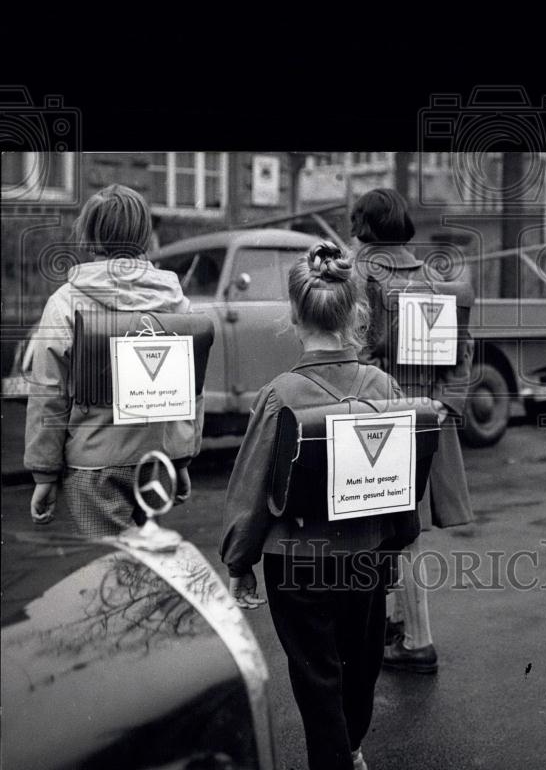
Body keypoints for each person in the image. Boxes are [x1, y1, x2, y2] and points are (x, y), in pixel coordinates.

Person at [220, 242, 412, 770]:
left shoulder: (279, 395)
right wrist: (395, 548)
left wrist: (240, 563)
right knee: (361, 665)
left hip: (297, 564)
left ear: (294, 316)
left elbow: (250, 490)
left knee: (316, 676)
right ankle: (351, 748)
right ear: (356, 314)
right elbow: (402, 483)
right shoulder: (385, 387)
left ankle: (334, 757)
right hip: (367, 557)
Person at [25, 184, 200, 537]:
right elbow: (188, 392)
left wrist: (44, 473)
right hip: (157, 461)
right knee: (145, 561)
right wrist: (182, 458)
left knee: (113, 565)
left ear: (89, 234)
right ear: (144, 234)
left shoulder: (65, 303)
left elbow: (48, 392)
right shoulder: (176, 302)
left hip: (94, 465)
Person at [350, 187, 474, 674]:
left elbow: (355, 351)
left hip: (376, 411)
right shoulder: (433, 278)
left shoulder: (358, 274)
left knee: (388, 528)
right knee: (405, 528)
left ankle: (417, 640)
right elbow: (462, 352)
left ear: (362, 225)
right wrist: (445, 402)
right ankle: (401, 625)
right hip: (427, 412)